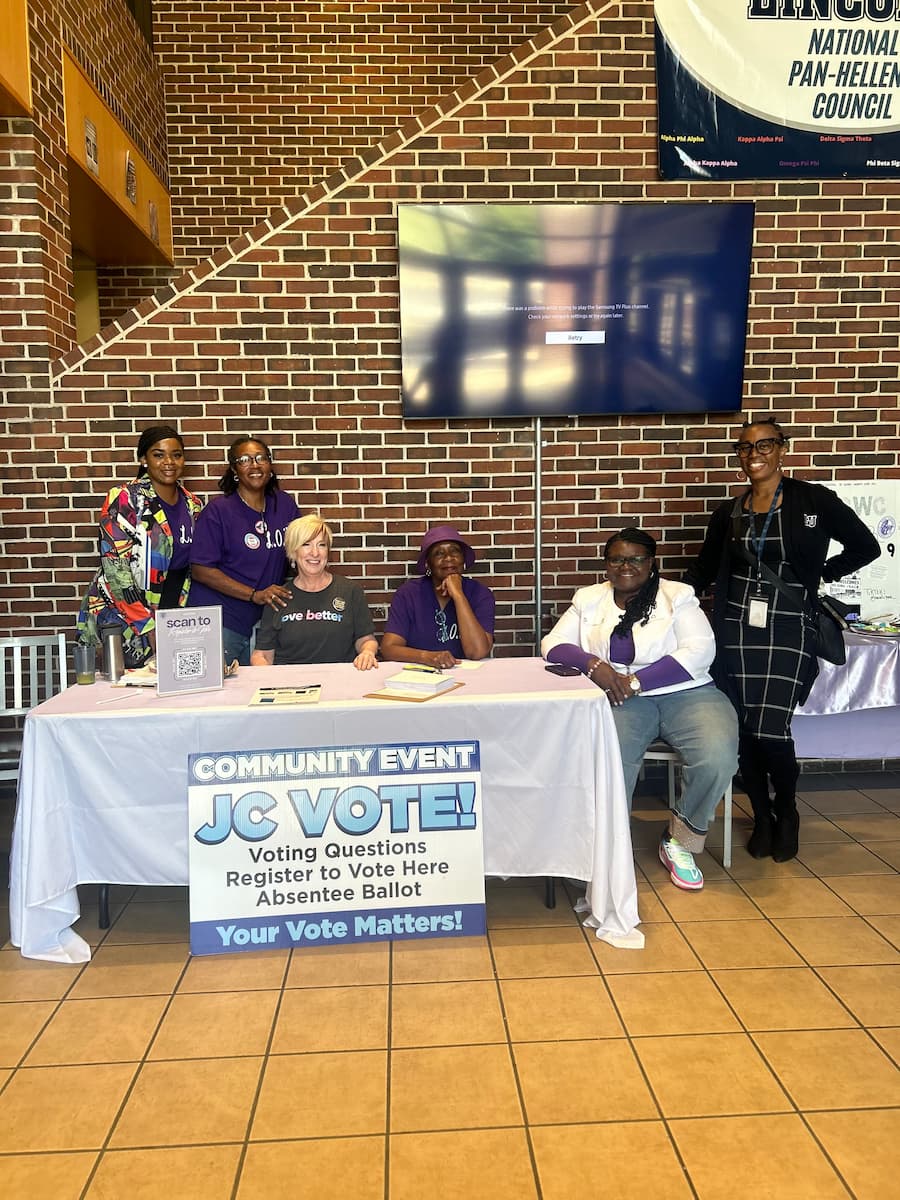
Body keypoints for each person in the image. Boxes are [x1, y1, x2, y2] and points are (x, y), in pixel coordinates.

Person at [684, 417, 880, 863]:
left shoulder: (814, 500)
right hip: (736, 629)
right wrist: (668, 600)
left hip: (790, 626)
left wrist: (820, 578)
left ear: (782, 449)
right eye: (745, 448)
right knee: (745, 729)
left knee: (772, 726)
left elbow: (865, 546)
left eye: (764, 445)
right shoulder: (728, 512)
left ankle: (786, 809)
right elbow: (704, 569)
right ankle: (762, 815)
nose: (754, 455)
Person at [542, 527, 738, 892]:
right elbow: (552, 643)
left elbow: (699, 651)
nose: (626, 566)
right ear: (606, 564)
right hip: (618, 697)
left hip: (687, 693)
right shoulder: (589, 598)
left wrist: (636, 682)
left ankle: (680, 840)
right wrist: (594, 666)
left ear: (651, 563)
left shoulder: (676, 595)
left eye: (636, 559)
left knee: (717, 756)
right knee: (609, 759)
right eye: (617, 559)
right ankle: (608, 846)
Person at [77, 425, 202, 668]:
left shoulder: (192, 505)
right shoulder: (126, 498)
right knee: (122, 697)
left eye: (176, 455)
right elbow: (115, 570)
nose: (169, 462)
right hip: (122, 619)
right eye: (159, 454)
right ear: (143, 459)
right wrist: (148, 626)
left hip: (170, 614)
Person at [188, 435, 300, 665]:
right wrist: (253, 594)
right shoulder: (219, 510)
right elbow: (200, 569)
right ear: (234, 469)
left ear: (270, 465)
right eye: (245, 460)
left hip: (262, 621)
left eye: (261, 458)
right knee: (221, 693)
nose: (255, 465)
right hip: (221, 620)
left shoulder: (284, 505)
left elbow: (301, 550)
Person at [251, 515, 378, 669]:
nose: (315, 553)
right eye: (306, 544)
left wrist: (367, 653)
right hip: (291, 686)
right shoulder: (277, 596)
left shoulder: (350, 591)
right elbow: (262, 655)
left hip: (340, 682)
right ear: (293, 551)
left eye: (321, 545)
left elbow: (366, 640)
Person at [381, 524, 495, 667]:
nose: (448, 558)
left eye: (455, 552)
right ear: (428, 563)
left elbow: (477, 652)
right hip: (419, 674)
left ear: (463, 559)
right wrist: (427, 657)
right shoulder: (408, 594)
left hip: (466, 675)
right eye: (439, 553)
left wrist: (459, 595)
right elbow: (389, 648)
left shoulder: (480, 593)